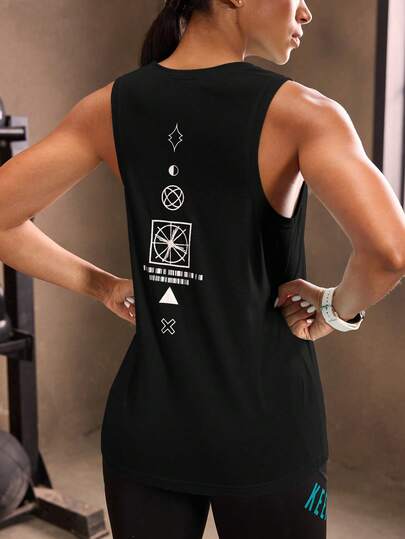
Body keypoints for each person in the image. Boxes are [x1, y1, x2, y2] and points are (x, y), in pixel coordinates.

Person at [1, 0, 405, 537]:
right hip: (267, 432)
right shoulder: (306, 113)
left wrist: (101, 286)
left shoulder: (110, 106)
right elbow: (389, 252)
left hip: (147, 428)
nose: (306, 12)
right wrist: (333, 310)